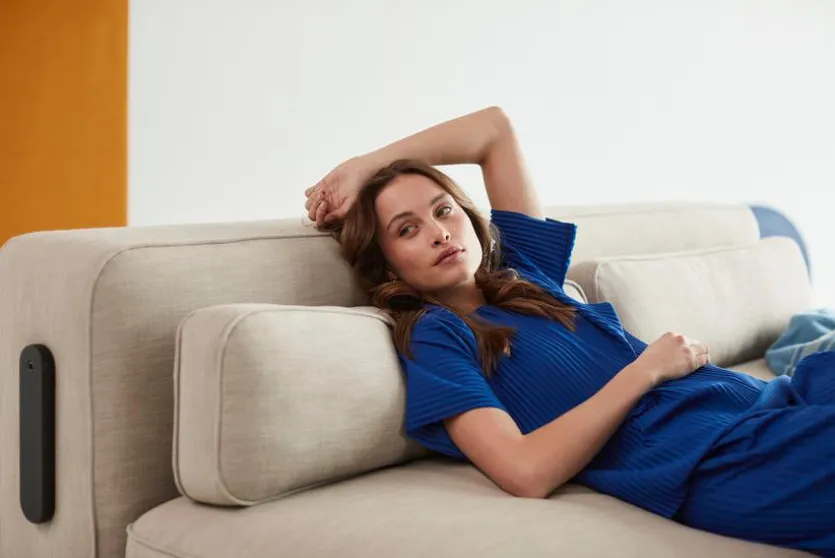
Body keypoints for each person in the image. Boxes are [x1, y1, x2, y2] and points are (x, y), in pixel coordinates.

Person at [304, 107, 835, 556]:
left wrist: (367, 164)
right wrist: (645, 371)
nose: (440, 232)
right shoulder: (435, 335)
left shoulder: (523, 273)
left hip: (774, 398)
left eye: (444, 210)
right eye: (407, 229)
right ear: (388, 265)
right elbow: (524, 470)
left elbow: (494, 130)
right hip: (719, 456)